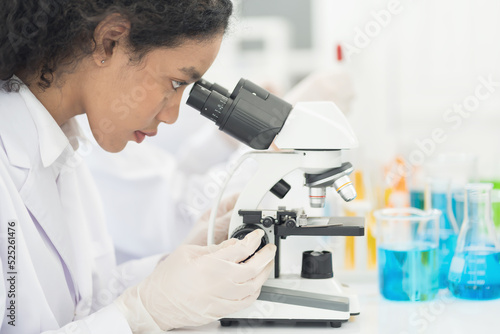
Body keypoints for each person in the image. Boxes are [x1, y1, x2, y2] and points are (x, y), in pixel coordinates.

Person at [0, 1, 276, 333]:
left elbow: (82, 306)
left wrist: (179, 265)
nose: (172, 115)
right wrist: (140, 313)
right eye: (175, 83)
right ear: (109, 42)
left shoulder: (65, 147)